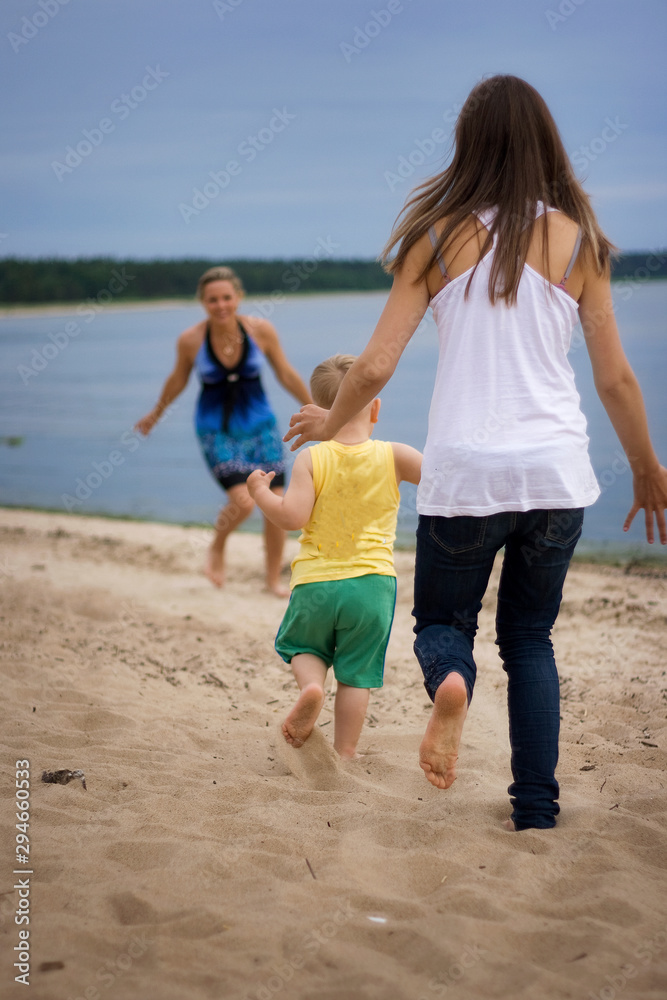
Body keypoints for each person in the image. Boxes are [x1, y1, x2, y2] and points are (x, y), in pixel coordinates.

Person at [284, 76, 667, 829]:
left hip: (465, 476)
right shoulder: (579, 241)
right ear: (546, 144)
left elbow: (374, 366)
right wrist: (648, 468)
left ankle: (452, 682)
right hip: (557, 472)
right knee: (529, 636)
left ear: (468, 145)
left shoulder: (434, 234)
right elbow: (615, 377)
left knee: (440, 624)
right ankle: (535, 807)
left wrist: (330, 424)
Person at [247, 354, 422, 759]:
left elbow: (292, 518)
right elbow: (444, 480)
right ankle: (346, 752)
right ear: (375, 407)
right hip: (372, 585)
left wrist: (260, 494)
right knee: (356, 675)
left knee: (304, 647)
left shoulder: (311, 457)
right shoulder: (395, 454)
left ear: (318, 412)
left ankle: (311, 688)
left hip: (316, 583)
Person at [135, 266, 311, 596]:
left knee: (277, 504)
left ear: (239, 297)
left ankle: (272, 579)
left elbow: (286, 374)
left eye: (227, 298)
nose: (221, 305)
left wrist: (315, 408)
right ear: (202, 302)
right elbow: (177, 381)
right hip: (216, 429)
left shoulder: (261, 331)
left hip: (261, 428)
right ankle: (217, 547)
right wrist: (155, 413)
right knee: (243, 501)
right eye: (213, 300)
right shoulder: (190, 340)